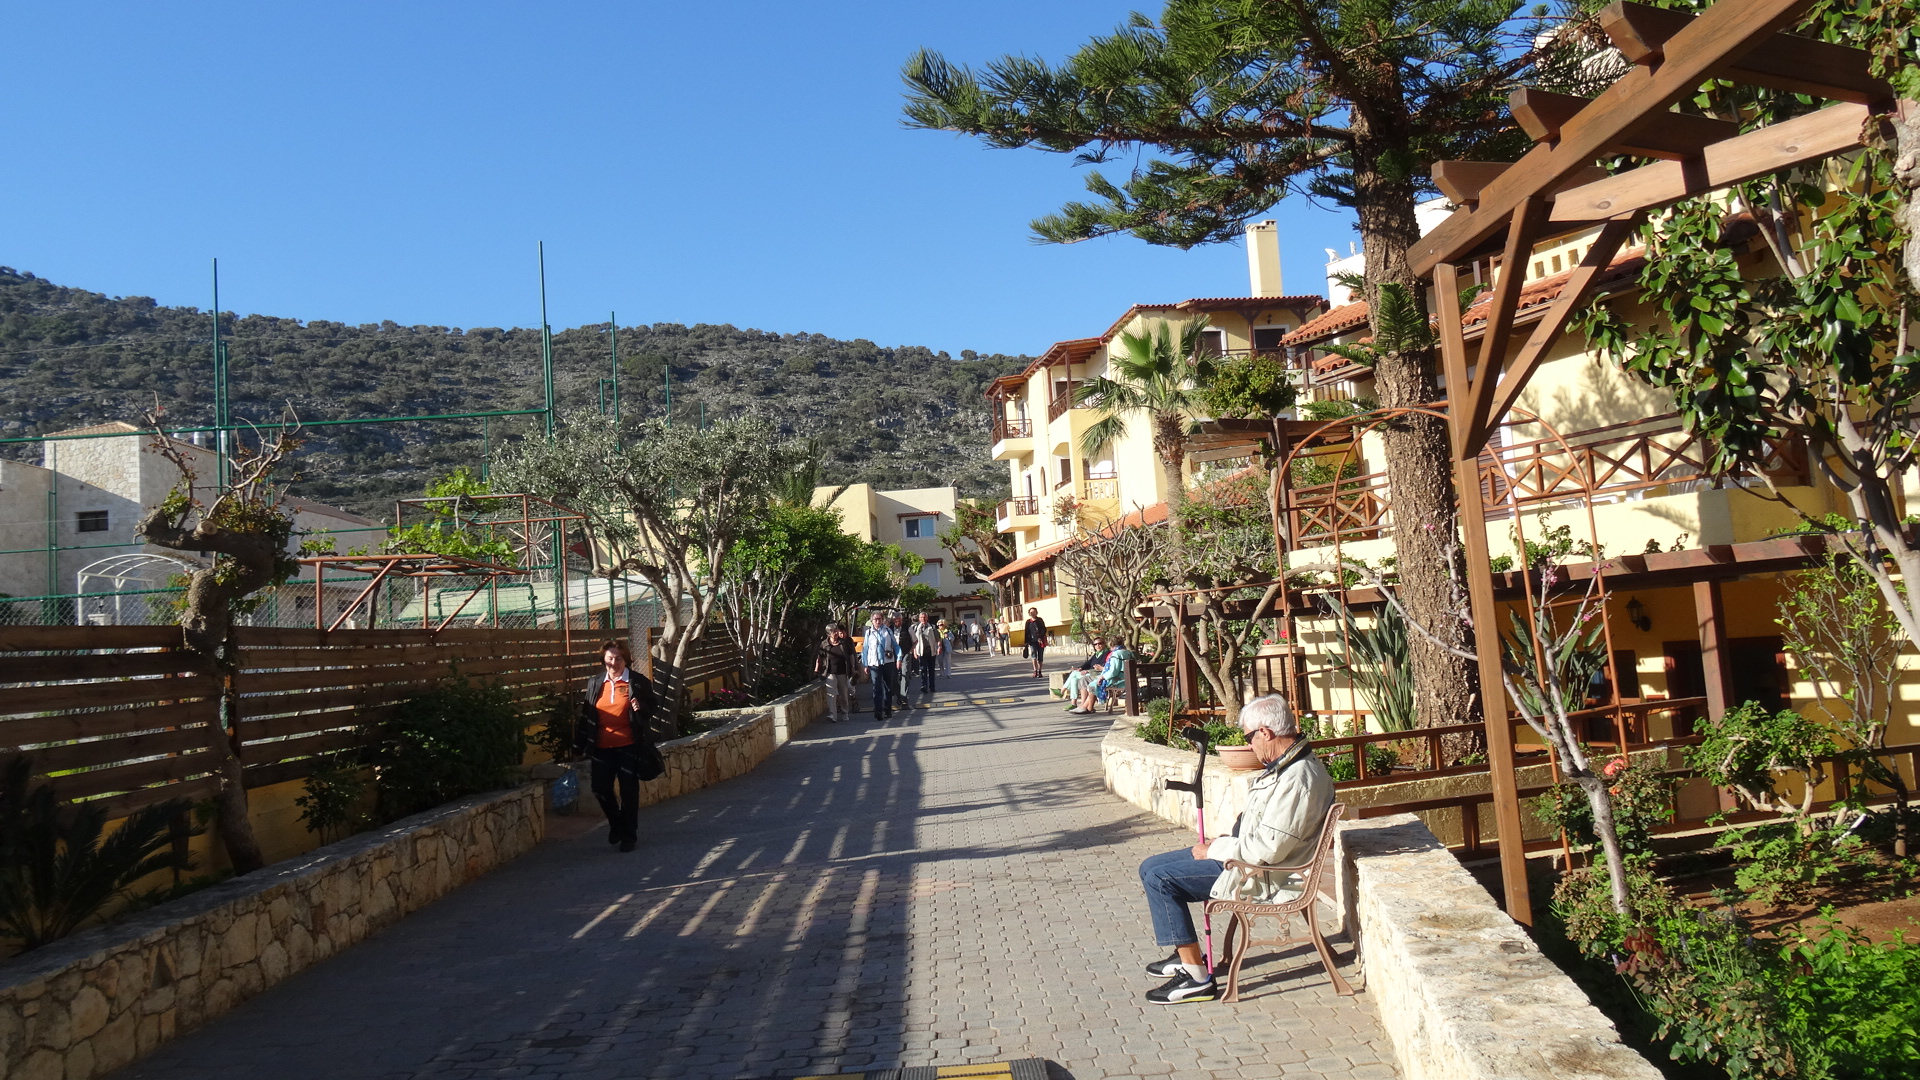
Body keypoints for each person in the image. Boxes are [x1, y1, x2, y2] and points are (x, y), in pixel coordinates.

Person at [1134, 695, 1333, 1004]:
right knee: (1149, 866)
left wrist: (1218, 848)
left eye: (1249, 738)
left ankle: (1196, 978)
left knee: (1161, 880)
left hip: (1261, 874)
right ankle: (1185, 955)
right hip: (1245, 858)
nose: (1249, 746)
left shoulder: (1297, 778)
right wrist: (1227, 841)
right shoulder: (1288, 765)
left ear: (1265, 732)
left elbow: (1268, 850)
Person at [575, 639, 661, 853]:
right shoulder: (595, 683)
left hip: (629, 746)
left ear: (626, 660)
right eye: (610, 658)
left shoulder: (637, 682)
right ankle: (616, 824)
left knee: (629, 791)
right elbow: (587, 715)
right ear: (603, 659)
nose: (614, 663)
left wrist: (640, 707)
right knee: (600, 788)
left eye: (619, 659)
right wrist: (579, 744)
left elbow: (652, 707)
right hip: (602, 747)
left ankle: (628, 836)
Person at [1071, 642, 1133, 714]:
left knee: (1093, 684)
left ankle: (1087, 707)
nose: (1110, 649)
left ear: (1112, 645)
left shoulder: (1116, 654)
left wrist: (1103, 677)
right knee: (1091, 682)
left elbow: (1113, 671)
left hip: (1118, 681)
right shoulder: (1129, 653)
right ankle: (1087, 707)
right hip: (1126, 678)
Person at [860, 610, 900, 721]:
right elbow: (865, 649)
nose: (878, 621)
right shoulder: (868, 633)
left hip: (887, 662)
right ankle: (878, 711)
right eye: (876, 619)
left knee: (888, 687)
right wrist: (865, 664)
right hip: (874, 664)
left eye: (880, 619)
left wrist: (899, 658)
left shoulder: (887, 631)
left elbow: (896, 646)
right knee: (877, 688)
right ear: (872, 621)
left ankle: (887, 710)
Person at [814, 623, 857, 723]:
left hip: (843, 672)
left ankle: (845, 713)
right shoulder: (824, 644)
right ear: (829, 634)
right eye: (833, 632)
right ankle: (832, 715)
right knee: (831, 695)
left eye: (836, 631)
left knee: (843, 694)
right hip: (830, 673)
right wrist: (816, 669)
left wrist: (853, 668)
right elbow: (820, 657)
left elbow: (851, 655)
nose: (836, 633)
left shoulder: (844, 643)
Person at [1060, 637, 1112, 708]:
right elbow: (1088, 663)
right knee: (1074, 679)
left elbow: (1101, 666)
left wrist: (1087, 671)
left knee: (1074, 674)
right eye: (1095, 644)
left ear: (1104, 644)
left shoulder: (1106, 654)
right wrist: (1080, 668)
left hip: (1097, 674)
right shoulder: (1097, 654)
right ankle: (1073, 703)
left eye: (1099, 643)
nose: (1097, 646)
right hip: (1091, 673)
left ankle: (1062, 691)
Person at [906, 612, 944, 702]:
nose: (923, 619)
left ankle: (932, 686)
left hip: (931, 651)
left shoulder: (932, 627)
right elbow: (913, 641)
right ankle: (924, 686)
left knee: (931, 670)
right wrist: (914, 651)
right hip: (921, 651)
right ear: (919, 619)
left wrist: (939, 647)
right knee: (923, 669)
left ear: (927, 618)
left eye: (925, 617)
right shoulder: (916, 627)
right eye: (922, 617)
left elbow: (938, 639)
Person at [1022, 608, 1050, 679]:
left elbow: (1044, 629)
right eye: (1031, 612)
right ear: (1029, 613)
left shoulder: (1040, 620)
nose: (1032, 613)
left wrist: (1040, 637)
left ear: (1036, 612)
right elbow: (1026, 632)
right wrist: (1026, 642)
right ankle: (1035, 671)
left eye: (1034, 612)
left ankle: (1040, 671)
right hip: (1032, 641)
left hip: (1040, 641)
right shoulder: (1028, 622)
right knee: (1033, 655)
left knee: (1040, 656)